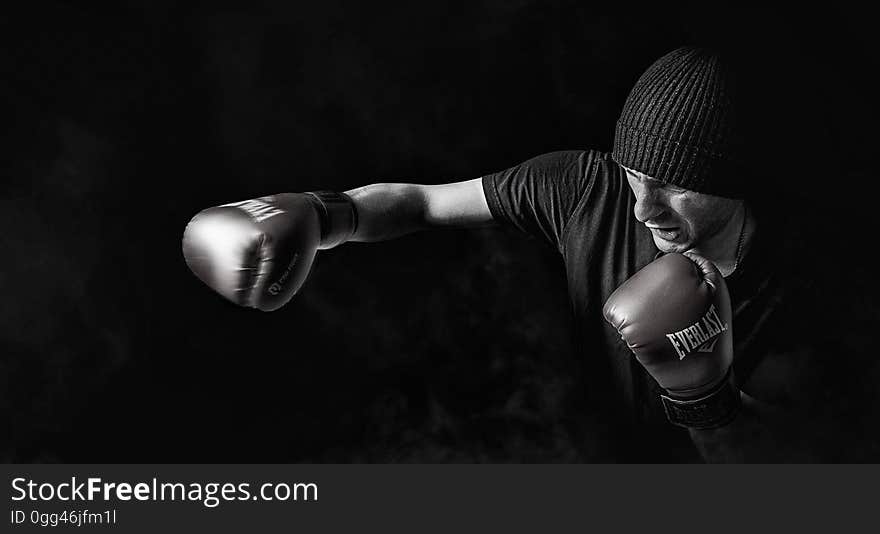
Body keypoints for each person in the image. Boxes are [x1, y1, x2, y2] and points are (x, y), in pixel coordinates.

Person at [182, 47, 867, 462]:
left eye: (676, 190)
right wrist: (329, 213)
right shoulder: (581, 187)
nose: (642, 210)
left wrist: (706, 399)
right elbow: (421, 203)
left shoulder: (811, 288)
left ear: (738, 182)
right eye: (636, 177)